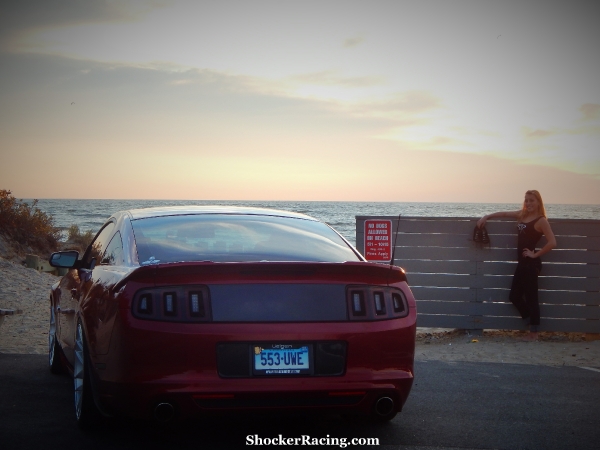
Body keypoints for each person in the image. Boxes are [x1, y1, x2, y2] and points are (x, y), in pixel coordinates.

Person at [477, 190, 557, 340]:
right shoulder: (523, 215)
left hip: (531, 264)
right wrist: (487, 216)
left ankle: (534, 333)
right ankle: (530, 324)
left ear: (538, 202)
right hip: (522, 263)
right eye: (526, 200)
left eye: (532, 200)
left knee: (532, 298)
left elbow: (552, 242)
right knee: (514, 296)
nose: (528, 203)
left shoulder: (541, 220)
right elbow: (505, 214)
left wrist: (535, 254)